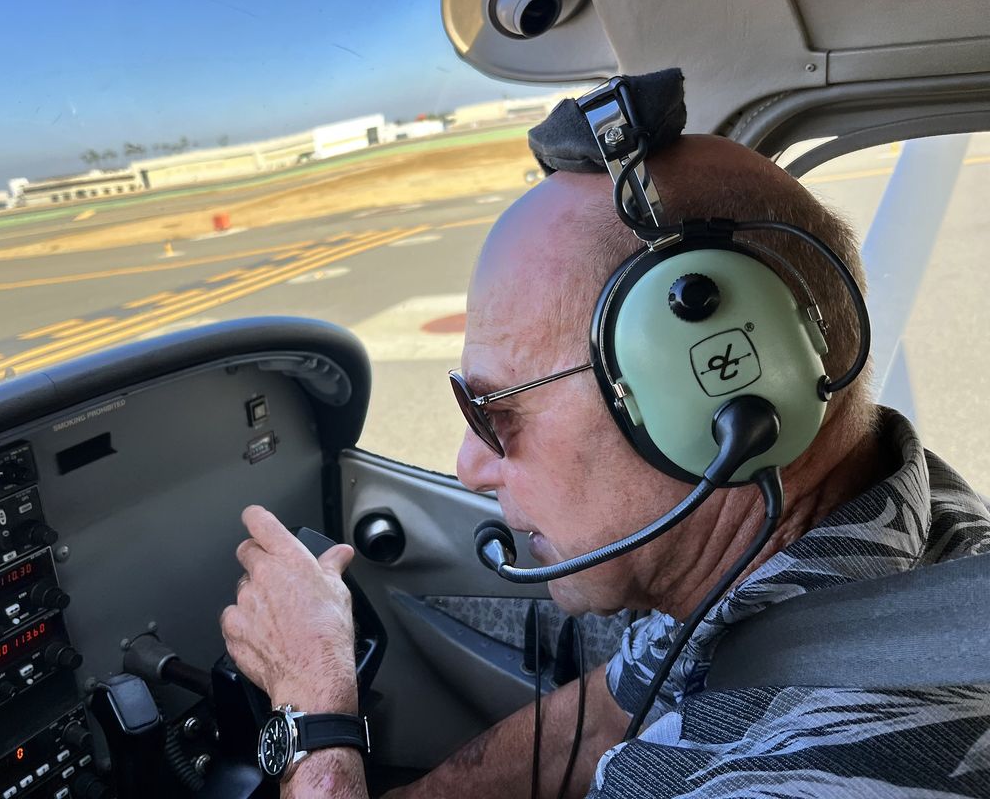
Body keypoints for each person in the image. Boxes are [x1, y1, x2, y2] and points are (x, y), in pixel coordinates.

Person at [220, 133, 990, 798]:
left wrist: (313, 710)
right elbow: (583, 736)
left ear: (713, 391)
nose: (469, 469)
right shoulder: (785, 563)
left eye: (498, 413)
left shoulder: (824, 771)